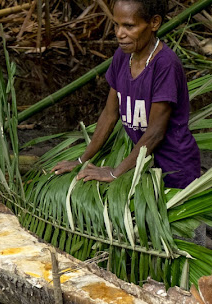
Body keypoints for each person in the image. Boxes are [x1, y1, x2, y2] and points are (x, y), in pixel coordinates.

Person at [53, 0, 200, 189]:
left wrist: (115, 173)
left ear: (154, 23)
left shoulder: (165, 65)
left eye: (129, 26)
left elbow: (155, 133)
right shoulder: (123, 56)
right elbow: (109, 114)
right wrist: (82, 160)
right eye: (117, 24)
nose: (119, 33)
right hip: (144, 164)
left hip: (175, 169)